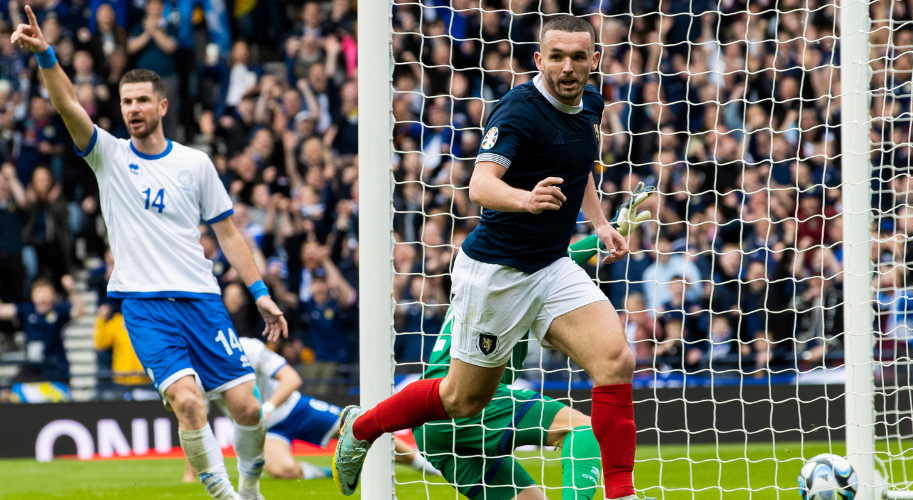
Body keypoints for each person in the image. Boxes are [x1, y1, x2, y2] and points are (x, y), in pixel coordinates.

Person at [333, 15, 640, 500]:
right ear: (539, 60)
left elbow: (578, 169)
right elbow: (480, 185)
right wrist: (525, 199)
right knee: (461, 397)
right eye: (556, 57)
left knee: (616, 359)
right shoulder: (518, 111)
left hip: (550, 266)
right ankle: (363, 428)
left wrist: (600, 223)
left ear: (594, 60)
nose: (567, 67)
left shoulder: (591, 105)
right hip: (497, 273)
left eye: (578, 57)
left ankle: (621, 493)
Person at [11, 7, 288, 500]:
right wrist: (47, 56)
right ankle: (226, 497)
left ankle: (249, 487)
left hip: (202, 300)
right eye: (126, 102)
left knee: (246, 408)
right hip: (145, 305)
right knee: (188, 404)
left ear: (161, 106)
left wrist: (260, 291)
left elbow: (228, 235)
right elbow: (70, 106)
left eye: (141, 100)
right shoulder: (108, 156)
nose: (133, 109)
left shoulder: (195, 163)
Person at [416, 187, 652, 500]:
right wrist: (603, 233)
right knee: (583, 429)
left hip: (430, 424)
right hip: (465, 404)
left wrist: (604, 234)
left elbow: (557, 262)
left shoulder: (479, 293)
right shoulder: (510, 281)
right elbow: (554, 263)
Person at [182, 337, 440, 483]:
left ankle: (426, 467)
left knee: (361, 428)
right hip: (264, 429)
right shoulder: (198, 375)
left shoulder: (247, 348)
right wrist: (190, 476)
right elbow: (195, 422)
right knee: (283, 472)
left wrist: (269, 407)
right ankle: (330, 472)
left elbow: (292, 379)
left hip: (293, 408)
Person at [0, 275, 83, 383]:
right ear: (33, 295)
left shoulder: (59, 310)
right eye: (40, 293)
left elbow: (79, 311)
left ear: (53, 295)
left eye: (47, 293)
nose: (43, 297)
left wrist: (72, 289)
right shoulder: (27, 309)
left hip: (56, 365)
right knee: (6, 392)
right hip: (32, 364)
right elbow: (2, 311)